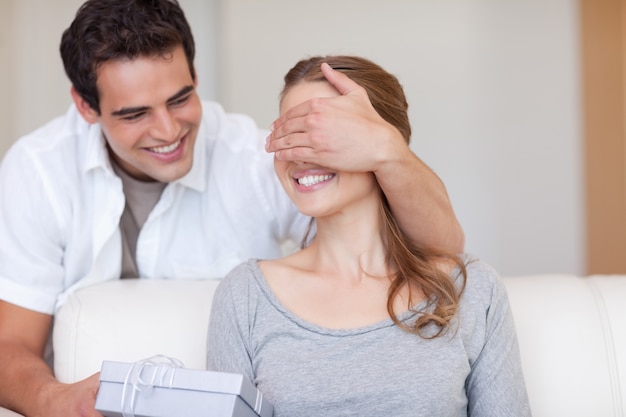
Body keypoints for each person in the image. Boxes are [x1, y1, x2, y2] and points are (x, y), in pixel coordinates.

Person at [0, 1, 463, 416]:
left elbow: (435, 249)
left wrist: (388, 149)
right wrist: (52, 400)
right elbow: (11, 342)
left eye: (180, 99)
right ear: (85, 106)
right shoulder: (39, 171)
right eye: (135, 113)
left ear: (196, 77)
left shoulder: (253, 156)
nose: (167, 130)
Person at [206, 55, 531, 417]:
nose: (301, 153)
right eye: (290, 133)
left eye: (322, 134)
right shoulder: (243, 297)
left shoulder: (473, 289)